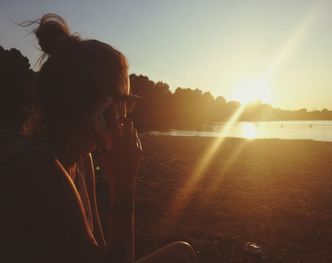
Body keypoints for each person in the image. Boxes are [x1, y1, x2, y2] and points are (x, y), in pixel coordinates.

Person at [0, 14, 197, 263]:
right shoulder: (37, 168)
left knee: (181, 253)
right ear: (103, 108)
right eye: (125, 103)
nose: (126, 117)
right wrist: (124, 184)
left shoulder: (80, 163)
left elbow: (102, 252)